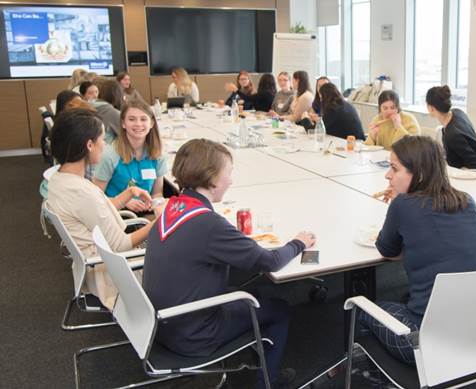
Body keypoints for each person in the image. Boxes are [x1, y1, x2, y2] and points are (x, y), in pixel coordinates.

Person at [142, 139, 316, 388]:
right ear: (212, 179)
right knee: (280, 308)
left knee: (251, 292)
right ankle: (267, 381)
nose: (231, 180)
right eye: (229, 173)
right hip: (194, 336)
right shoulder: (210, 225)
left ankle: (256, 354)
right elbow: (271, 261)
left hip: (160, 325)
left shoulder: (173, 207)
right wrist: (299, 242)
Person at [359, 136, 476, 365]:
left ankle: (378, 374)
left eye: (394, 169)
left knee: (362, 309)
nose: (387, 175)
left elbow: (386, 249)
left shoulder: (403, 204)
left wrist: (399, 204)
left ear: (417, 174)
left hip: (426, 342)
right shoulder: (467, 200)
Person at [47, 108, 159, 309]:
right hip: (114, 274)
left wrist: (128, 193)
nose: (105, 144)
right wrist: (160, 222)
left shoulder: (60, 179)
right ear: (89, 145)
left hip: (97, 262)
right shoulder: (81, 192)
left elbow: (93, 214)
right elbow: (121, 245)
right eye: (102, 139)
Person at [93, 99, 166, 213]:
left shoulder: (157, 154)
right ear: (123, 123)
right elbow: (96, 199)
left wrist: (155, 205)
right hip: (117, 215)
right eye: (132, 119)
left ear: (151, 123)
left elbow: (157, 193)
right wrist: (124, 202)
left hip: (146, 214)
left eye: (143, 119)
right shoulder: (109, 155)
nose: (138, 124)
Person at [426, 85, 476, 169]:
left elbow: (474, 164)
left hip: (468, 173)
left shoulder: (453, 134)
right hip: (475, 164)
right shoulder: (457, 112)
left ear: (431, 108)